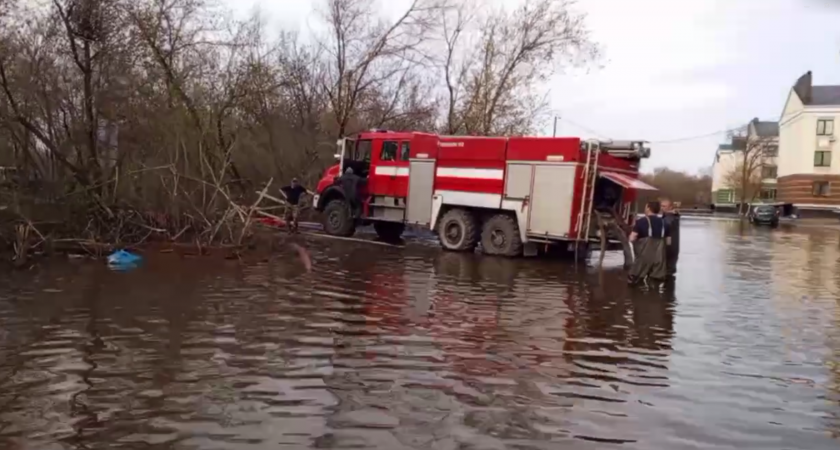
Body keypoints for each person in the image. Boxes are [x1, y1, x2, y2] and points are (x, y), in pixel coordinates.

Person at [628, 201, 670, 290]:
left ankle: (634, 301)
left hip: (644, 259)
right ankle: (654, 300)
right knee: (655, 285)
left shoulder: (641, 221)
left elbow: (632, 238)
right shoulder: (665, 223)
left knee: (634, 283)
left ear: (648, 208)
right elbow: (669, 242)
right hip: (659, 259)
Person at [660, 198, 680, 278]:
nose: (662, 208)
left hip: (669, 246)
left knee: (667, 270)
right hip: (673, 245)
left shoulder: (669, 218)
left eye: (664, 206)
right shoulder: (673, 216)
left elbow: (665, 226)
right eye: (661, 206)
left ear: (670, 207)